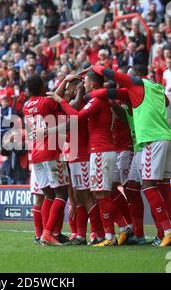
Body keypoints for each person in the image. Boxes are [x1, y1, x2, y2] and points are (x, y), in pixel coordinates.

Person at [91, 64, 171, 247]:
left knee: (149, 185)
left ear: (137, 77)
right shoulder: (155, 89)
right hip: (162, 138)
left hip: (151, 140)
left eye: (130, 78)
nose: (127, 81)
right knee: (152, 187)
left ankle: (167, 232)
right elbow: (164, 102)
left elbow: (113, 77)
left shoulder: (138, 84)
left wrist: (94, 67)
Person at [48, 70, 130, 246]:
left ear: (91, 84)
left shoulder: (93, 101)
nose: (82, 86)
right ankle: (118, 230)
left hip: (96, 151)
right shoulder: (95, 100)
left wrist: (60, 100)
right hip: (95, 151)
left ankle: (108, 234)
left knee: (97, 195)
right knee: (98, 194)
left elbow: (76, 117)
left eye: (84, 83)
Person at [23, 74, 70, 246]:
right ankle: (48, 233)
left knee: (48, 195)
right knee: (62, 193)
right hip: (50, 152)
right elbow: (57, 99)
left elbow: (50, 99)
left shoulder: (26, 106)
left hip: (35, 154)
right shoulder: (47, 102)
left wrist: (63, 81)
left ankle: (44, 233)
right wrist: (65, 82)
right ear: (43, 87)